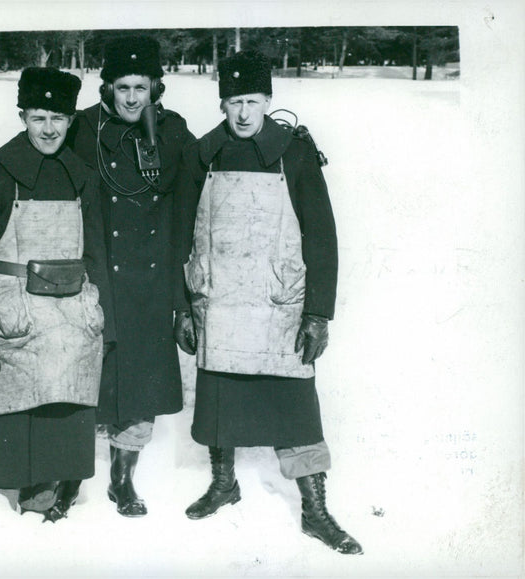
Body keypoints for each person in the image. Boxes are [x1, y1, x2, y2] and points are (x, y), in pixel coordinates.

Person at [0, 35, 197, 517]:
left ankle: (122, 478)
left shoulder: (173, 132)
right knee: (75, 382)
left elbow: (211, 158)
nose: (132, 98)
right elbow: (33, 139)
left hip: (146, 285)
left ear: (157, 88)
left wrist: (293, 140)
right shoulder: (80, 125)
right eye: (122, 87)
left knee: (139, 391)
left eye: (142, 88)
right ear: (107, 88)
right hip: (93, 277)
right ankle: (63, 474)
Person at [176, 50, 363, 554]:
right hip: (219, 302)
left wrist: (318, 313)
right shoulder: (204, 153)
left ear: (268, 100)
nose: (242, 114)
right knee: (220, 398)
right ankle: (223, 483)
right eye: (234, 101)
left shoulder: (295, 153)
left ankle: (315, 510)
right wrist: (182, 307)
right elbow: (179, 235)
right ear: (222, 102)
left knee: (295, 409)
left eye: (252, 101)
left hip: (280, 305)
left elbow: (322, 237)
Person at [0, 67, 115, 522]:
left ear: (70, 120)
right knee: (14, 413)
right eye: (38, 117)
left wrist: (108, 323)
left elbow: (97, 252)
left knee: (62, 409)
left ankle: (53, 488)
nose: (48, 129)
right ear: (22, 115)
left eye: (58, 119)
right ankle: (8, 504)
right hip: (14, 315)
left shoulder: (82, 176)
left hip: (71, 316)